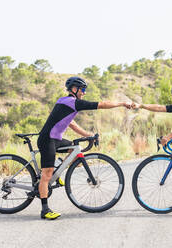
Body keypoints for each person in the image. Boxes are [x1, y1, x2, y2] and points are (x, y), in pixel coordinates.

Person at [37, 76, 131, 220]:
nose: (84, 93)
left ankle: (58, 167)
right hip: (47, 139)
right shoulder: (72, 102)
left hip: (56, 139)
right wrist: (122, 104)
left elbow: (72, 124)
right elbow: (101, 104)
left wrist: (88, 134)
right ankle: (44, 210)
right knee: (46, 175)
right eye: (83, 90)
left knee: (76, 149)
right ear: (74, 89)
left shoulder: (64, 102)